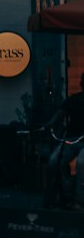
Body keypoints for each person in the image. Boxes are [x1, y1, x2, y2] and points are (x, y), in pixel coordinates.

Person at [44, 69, 84, 208]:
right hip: (72, 138)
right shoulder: (73, 100)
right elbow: (60, 113)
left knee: (81, 163)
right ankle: (59, 197)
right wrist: (51, 123)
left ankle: (79, 201)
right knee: (54, 161)